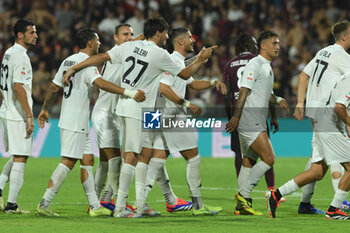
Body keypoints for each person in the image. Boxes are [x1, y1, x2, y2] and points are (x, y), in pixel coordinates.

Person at [63, 17, 216, 218]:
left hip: (137, 108)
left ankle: (142, 204)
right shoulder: (160, 54)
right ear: (159, 33)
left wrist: (75, 67)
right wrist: (201, 59)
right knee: (131, 156)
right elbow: (185, 75)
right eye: (166, 33)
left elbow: (102, 58)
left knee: (146, 153)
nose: (167, 37)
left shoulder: (130, 47)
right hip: (137, 107)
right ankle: (120, 208)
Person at [35, 27, 145, 217]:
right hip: (75, 121)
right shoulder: (87, 64)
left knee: (88, 161)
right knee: (68, 162)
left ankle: (95, 206)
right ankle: (44, 203)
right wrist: (129, 92)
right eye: (97, 41)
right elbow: (101, 84)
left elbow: (54, 87)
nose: (99, 44)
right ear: (90, 43)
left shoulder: (68, 60)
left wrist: (45, 108)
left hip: (76, 119)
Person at [266, 21, 350, 219]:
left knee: (317, 171)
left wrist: (301, 103)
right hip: (329, 114)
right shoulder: (345, 59)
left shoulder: (323, 52)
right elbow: (342, 100)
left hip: (316, 114)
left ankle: (276, 195)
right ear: (344, 37)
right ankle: (334, 209)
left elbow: (304, 74)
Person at [143, 27, 226, 215]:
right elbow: (164, 88)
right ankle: (198, 206)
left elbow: (192, 83)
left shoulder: (177, 62)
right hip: (172, 116)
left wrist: (213, 82)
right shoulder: (172, 60)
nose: (193, 40)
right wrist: (188, 104)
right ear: (180, 41)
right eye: (189, 37)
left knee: (157, 158)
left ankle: (143, 201)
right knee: (193, 158)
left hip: (157, 115)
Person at [223, 33, 289, 215]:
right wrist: (236, 116)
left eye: (278, 42)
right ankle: (244, 195)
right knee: (269, 158)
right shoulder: (254, 64)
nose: (278, 46)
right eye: (274, 43)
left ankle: (241, 207)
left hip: (256, 119)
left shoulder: (266, 66)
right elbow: (244, 89)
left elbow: (265, 93)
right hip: (249, 119)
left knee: (248, 160)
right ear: (263, 46)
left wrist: (279, 100)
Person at [92, 23, 135, 209]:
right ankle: (119, 202)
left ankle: (97, 202)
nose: (129, 37)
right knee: (115, 160)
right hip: (105, 113)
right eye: (125, 34)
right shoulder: (116, 54)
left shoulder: (126, 55)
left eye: (132, 34)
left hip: (113, 114)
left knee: (103, 162)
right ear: (116, 38)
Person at [0, 19, 37, 214]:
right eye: (32, 32)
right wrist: (29, 116)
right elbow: (18, 87)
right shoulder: (21, 56)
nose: (36, 35)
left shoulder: (8, 53)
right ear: (20, 35)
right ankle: (12, 205)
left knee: (17, 155)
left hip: (7, 110)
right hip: (17, 114)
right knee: (21, 157)